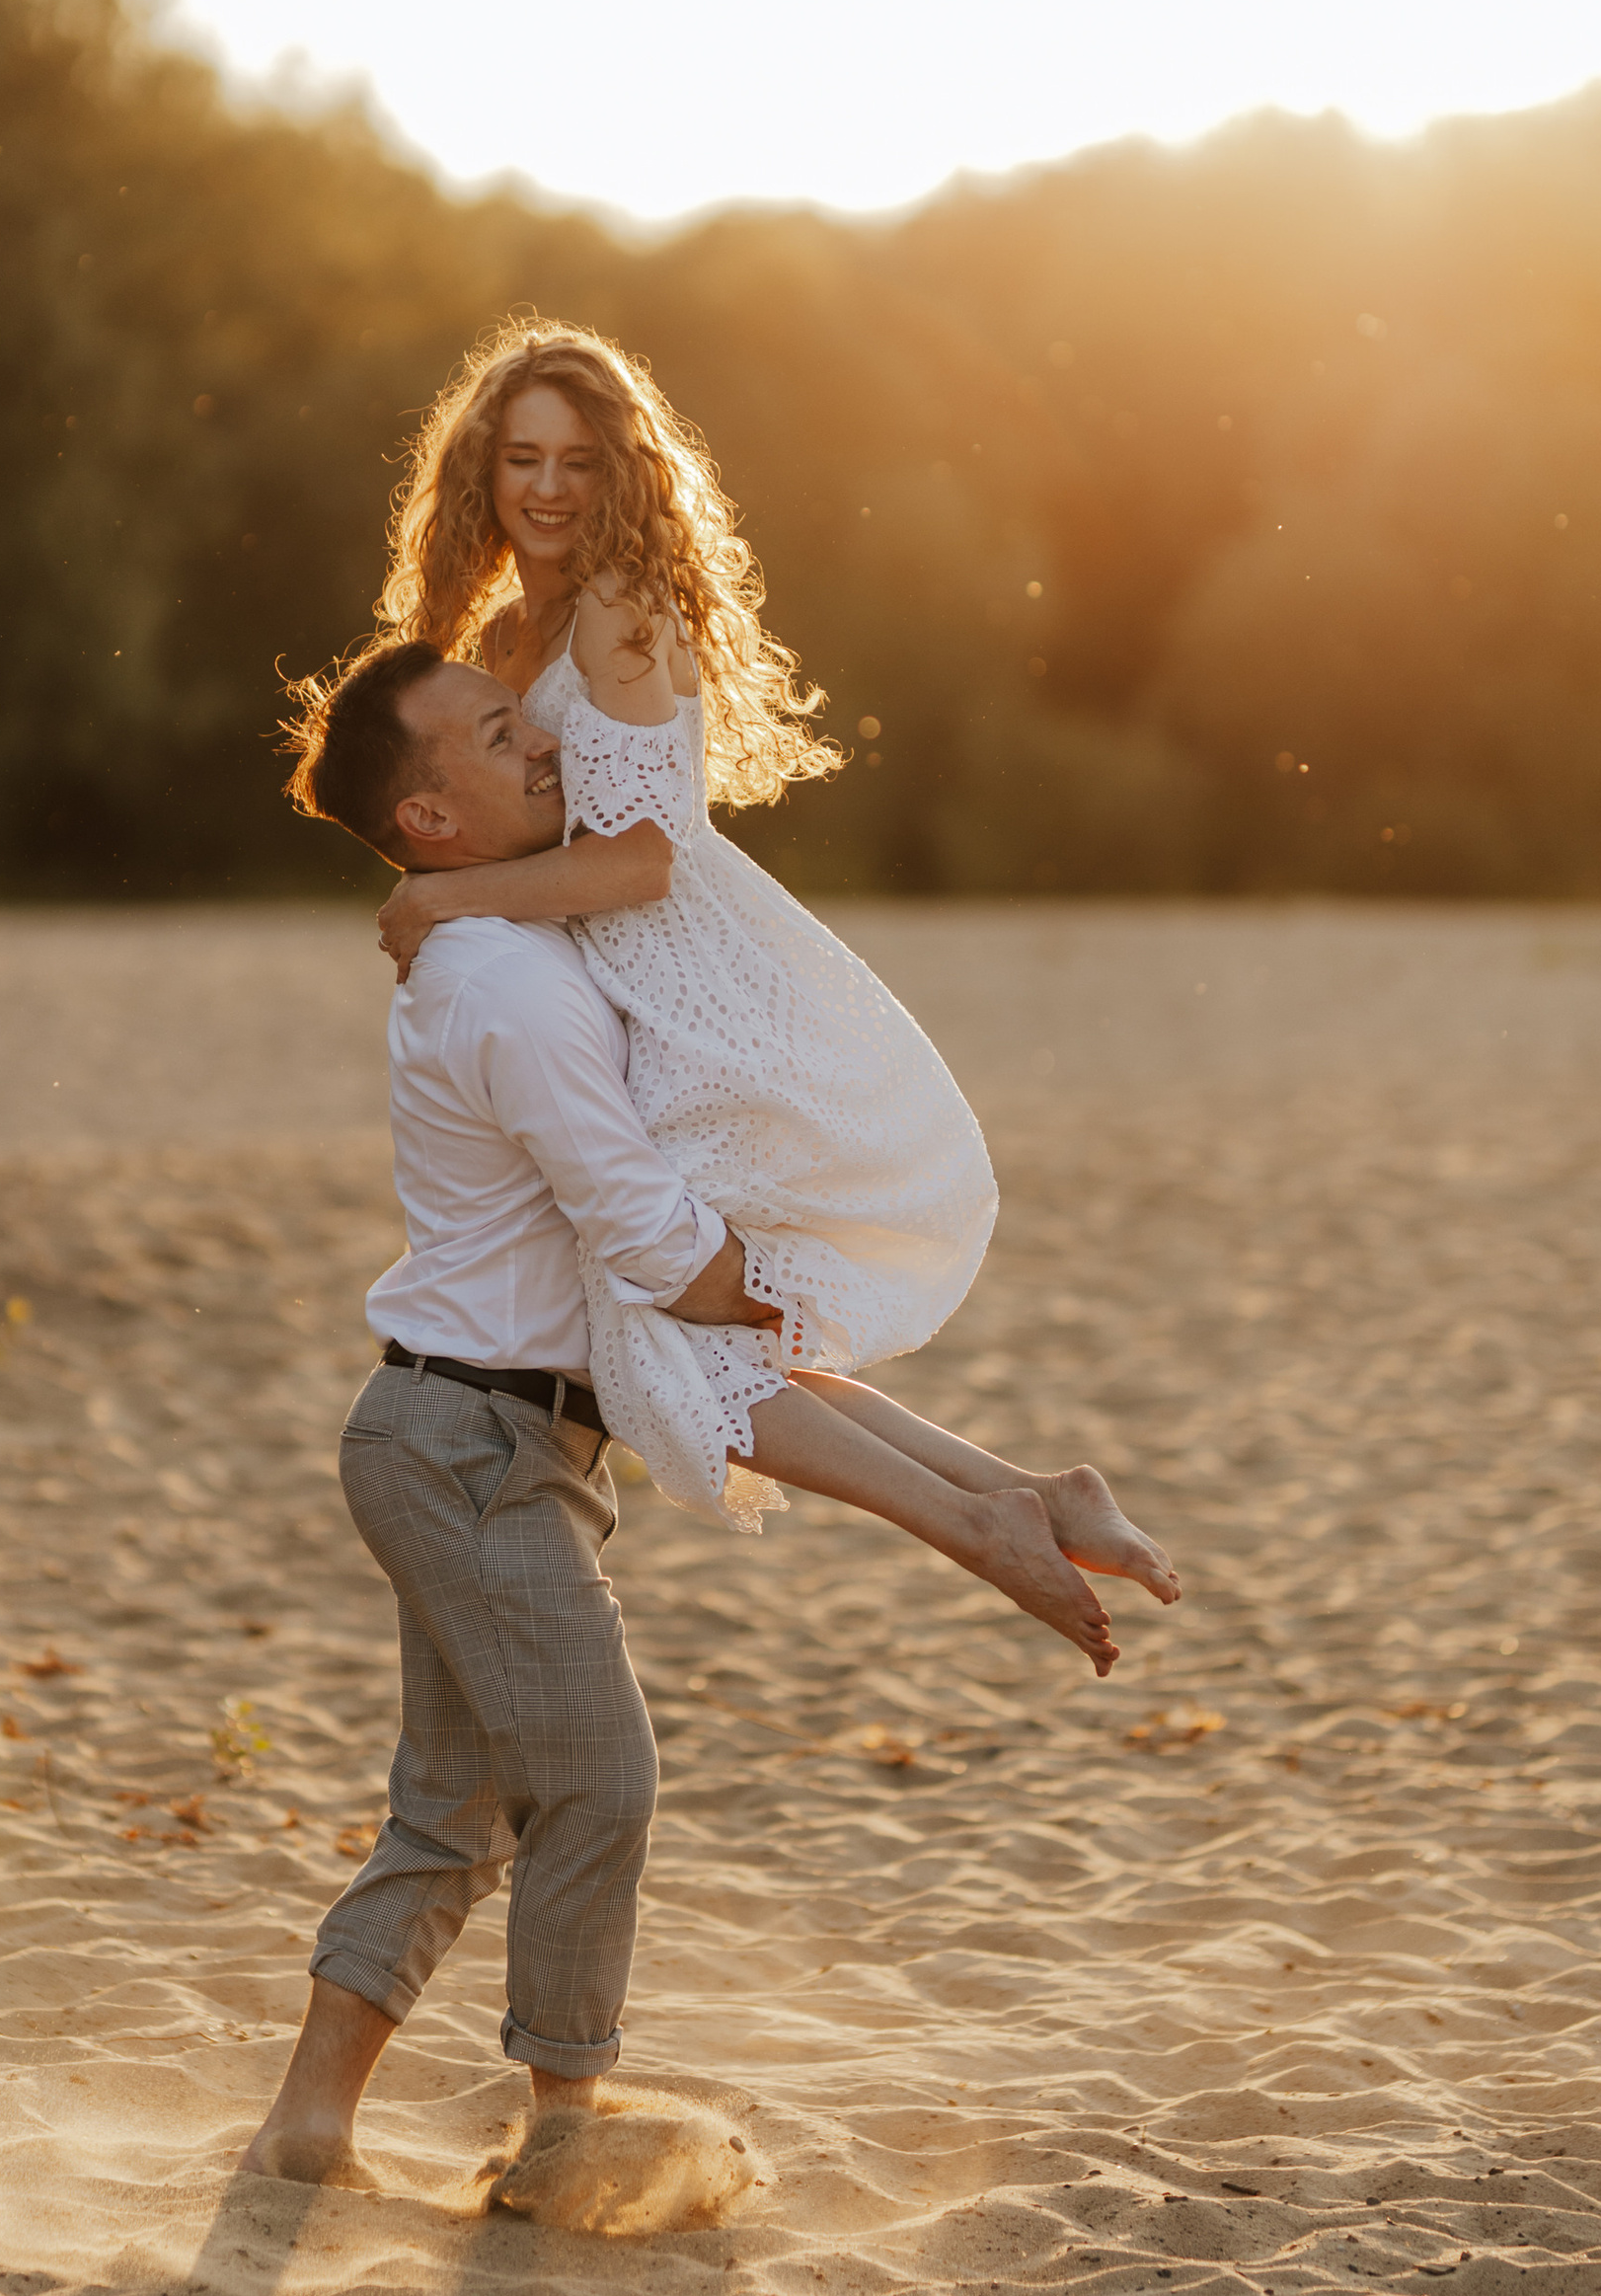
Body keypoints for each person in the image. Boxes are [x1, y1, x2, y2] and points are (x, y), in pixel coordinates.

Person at [241, 642, 1138, 2191]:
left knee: (451, 1813)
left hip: (476, 1437)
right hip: (469, 1446)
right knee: (599, 1779)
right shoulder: (509, 986)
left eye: (525, 720)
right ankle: (562, 2136)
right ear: (431, 817)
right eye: (498, 736)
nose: (538, 748)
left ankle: (308, 2129)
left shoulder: (515, 941)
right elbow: (646, 1237)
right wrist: (784, 1293)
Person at [363, 313, 1179, 1611]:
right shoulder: (515, 635)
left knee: (655, 1335)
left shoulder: (625, 610)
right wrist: (451, 890)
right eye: (523, 460)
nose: (551, 490)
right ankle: (1026, 1497)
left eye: (581, 462)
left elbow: (640, 861)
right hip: (615, 990)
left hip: (689, 985)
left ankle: (987, 1525)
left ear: (623, 472)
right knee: (689, 1331)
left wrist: (440, 904)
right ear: (482, 472)